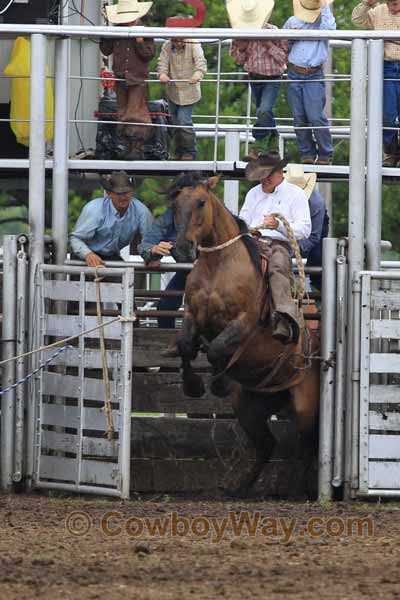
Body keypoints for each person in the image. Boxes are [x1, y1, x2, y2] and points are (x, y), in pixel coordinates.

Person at [239, 152, 311, 344]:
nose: (264, 179)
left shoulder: (296, 195)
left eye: (268, 175)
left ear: (281, 173)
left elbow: (304, 229)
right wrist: (249, 231)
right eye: (262, 175)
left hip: (278, 245)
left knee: (278, 265)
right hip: (252, 242)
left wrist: (277, 226)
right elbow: (243, 221)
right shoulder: (253, 194)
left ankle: (284, 316)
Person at [138, 173, 199, 329]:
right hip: (187, 271)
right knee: (165, 306)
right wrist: (153, 251)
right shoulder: (170, 216)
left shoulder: (207, 214)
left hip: (213, 273)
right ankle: (165, 342)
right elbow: (145, 244)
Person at [100, 0, 155, 159]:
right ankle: (127, 146)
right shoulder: (117, 31)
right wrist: (106, 33)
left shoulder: (145, 32)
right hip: (121, 76)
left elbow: (148, 55)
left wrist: (139, 42)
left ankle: (137, 148)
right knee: (123, 112)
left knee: (136, 113)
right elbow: (106, 49)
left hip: (137, 78)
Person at [284, 0, 336, 165]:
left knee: (315, 116)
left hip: (313, 74)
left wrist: (324, 6)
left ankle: (325, 153)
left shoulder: (323, 22)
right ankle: (306, 153)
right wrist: (291, 37)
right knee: (299, 116)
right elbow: (283, 45)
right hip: (294, 73)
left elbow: (330, 30)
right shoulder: (292, 21)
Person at [230, 15, 288, 153]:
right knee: (263, 112)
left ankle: (258, 145)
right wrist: (242, 49)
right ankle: (273, 140)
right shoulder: (239, 33)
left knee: (264, 110)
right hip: (254, 78)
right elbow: (238, 61)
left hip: (272, 78)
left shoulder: (274, 31)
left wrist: (269, 45)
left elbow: (284, 58)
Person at [70, 171, 153, 267]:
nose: (123, 197)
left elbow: (149, 241)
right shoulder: (95, 209)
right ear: (109, 193)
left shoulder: (142, 212)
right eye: (118, 193)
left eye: (126, 192)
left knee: (124, 276)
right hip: (84, 255)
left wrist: (150, 257)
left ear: (132, 191)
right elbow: (75, 238)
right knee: (81, 280)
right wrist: (88, 255)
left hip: (111, 256)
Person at [352, 0, 400, 166]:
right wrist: (367, 3)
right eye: (389, 3)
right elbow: (357, 19)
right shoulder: (378, 11)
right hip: (386, 67)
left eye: (394, 3)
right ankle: (391, 153)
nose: (391, 7)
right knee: (386, 114)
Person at [157, 38, 207, 160]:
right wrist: (162, 74)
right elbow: (162, 63)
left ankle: (190, 151)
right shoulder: (167, 46)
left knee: (184, 120)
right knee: (174, 122)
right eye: (175, 40)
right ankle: (179, 151)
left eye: (181, 40)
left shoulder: (194, 43)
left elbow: (201, 62)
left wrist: (198, 74)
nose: (178, 43)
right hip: (173, 91)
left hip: (190, 91)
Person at [285, 165, 329, 289]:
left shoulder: (316, 204)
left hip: (315, 226)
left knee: (318, 258)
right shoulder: (282, 196)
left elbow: (314, 237)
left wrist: (289, 251)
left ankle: (320, 295)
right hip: (291, 226)